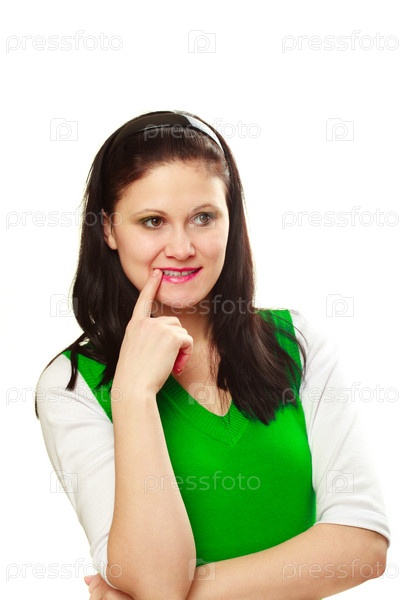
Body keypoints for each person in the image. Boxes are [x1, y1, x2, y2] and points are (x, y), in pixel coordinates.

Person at [36, 110, 390, 600]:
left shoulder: (296, 342)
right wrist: (134, 394)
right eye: (153, 221)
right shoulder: (71, 385)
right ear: (109, 230)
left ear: (230, 219)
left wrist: (174, 594)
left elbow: (364, 547)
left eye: (203, 217)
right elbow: (156, 580)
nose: (182, 247)